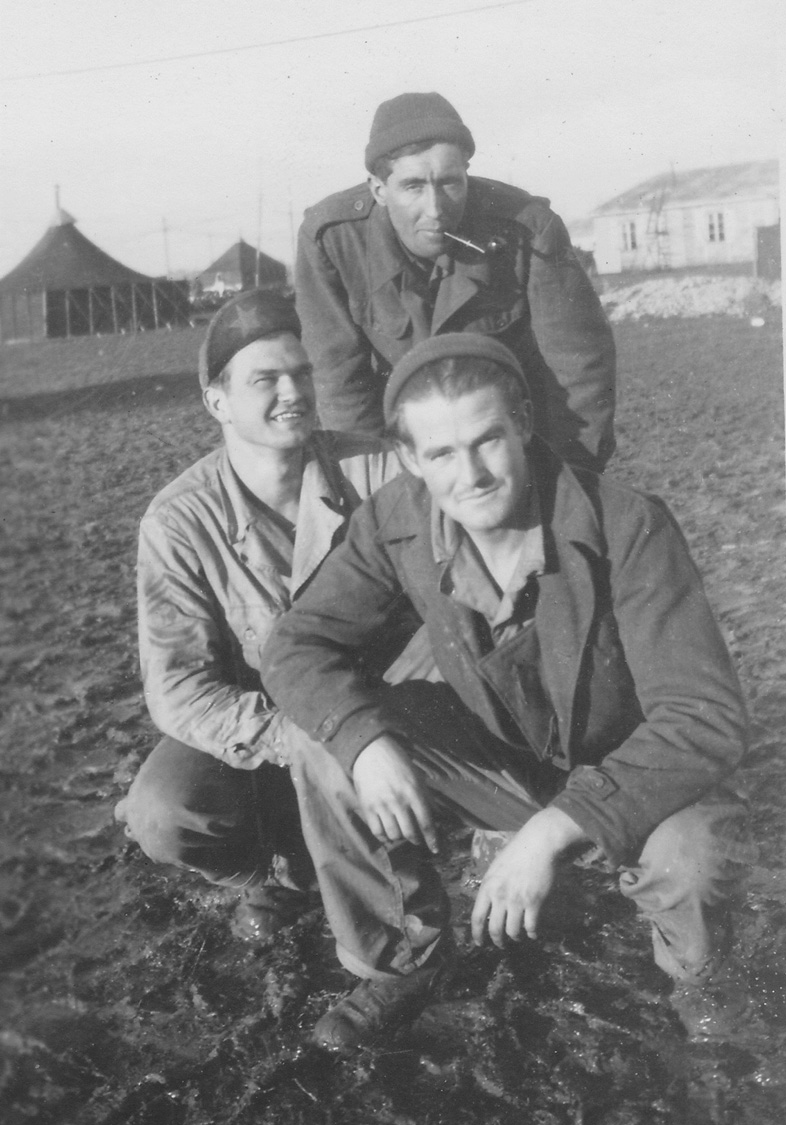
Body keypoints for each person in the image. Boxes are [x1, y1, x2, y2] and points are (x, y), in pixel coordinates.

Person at [261, 332, 752, 1051]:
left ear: (523, 422)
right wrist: (365, 743)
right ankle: (403, 958)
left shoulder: (627, 523)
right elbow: (295, 644)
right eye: (440, 454)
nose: (471, 474)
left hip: (641, 779)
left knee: (691, 856)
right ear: (409, 459)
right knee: (325, 736)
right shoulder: (394, 520)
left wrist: (555, 830)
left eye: (487, 440)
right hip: (506, 765)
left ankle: (697, 984)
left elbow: (705, 717)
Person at [114, 289, 412, 941]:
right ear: (217, 401)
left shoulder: (380, 468)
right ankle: (263, 879)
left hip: (381, 714)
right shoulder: (179, 522)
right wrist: (301, 736)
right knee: (164, 810)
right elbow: (177, 690)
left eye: (301, 374)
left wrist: (358, 729)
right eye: (265, 380)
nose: (293, 392)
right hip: (265, 735)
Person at [294, 91, 616, 472]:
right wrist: (383, 490)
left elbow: (579, 370)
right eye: (413, 186)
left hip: (513, 451)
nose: (435, 209)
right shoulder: (332, 240)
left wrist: (565, 482)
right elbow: (339, 382)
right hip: (401, 455)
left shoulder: (528, 230)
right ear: (378, 190)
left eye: (450, 183)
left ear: (468, 173)